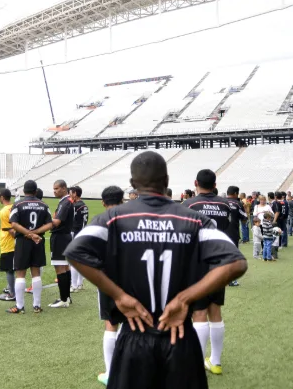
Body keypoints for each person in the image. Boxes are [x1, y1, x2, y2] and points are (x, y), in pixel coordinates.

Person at [64, 151, 247, 389]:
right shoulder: (195, 220)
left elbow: (73, 252)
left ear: (132, 185)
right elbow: (236, 262)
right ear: (167, 180)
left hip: (134, 333)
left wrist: (119, 296)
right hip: (179, 334)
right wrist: (184, 299)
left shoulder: (113, 218)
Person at [183, 169, 233, 375]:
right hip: (219, 260)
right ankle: (216, 361)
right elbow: (228, 226)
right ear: (215, 184)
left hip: (197, 263)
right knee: (215, 311)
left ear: (195, 182)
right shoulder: (225, 204)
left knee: (199, 312)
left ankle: (196, 363)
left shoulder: (188, 205)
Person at [94, 185, 125, 387]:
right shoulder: (134, 220)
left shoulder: (99, 222)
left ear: (103, 202)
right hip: (133, 278)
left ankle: (111, 372)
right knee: (131, 322)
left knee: (110, 323)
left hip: (107, 279)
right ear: (122, 201)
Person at [6, 180, 51, 314]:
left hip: (22, 241)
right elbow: (50, 224)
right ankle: (36, 306)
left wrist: (28, 234)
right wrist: (35, 233)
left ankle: (20, 307)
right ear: (36, 191)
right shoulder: (44, 205)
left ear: (24, 191)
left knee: (20, 273)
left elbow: (13, 224)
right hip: (38, 241)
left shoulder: (18, 204)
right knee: (36, 272)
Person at [39, 179, 75, 308]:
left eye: (57, 189)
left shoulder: (65, 203)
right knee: (65, 267)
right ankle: (66, 298)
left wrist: (42, 221)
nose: (54, 191)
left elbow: (57, 221)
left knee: (60, 267)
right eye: (54, 189)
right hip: (64, 238)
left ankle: (64, 299)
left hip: (60, 238)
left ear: (64, 188)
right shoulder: (65, 202)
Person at [225, 186, 247, 286]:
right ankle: (231, 279)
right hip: (232, 233)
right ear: (235, 193)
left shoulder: (220, 202)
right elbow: (244, 218)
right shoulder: (237, 204)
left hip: (220, 233)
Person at [0, 189, 16, 301]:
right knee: (13, 268)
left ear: (2, 197)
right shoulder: (14, 207)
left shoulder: (4, 211)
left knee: (9, 269)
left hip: (8, 244)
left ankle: (12, 294)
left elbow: (11, 230)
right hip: (14, 244)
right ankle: (10, 287)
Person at [70, 185, 89, 292]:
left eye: (71, 192)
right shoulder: (84, 205)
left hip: (75, 233)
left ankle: (74, 285)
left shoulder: (75, 206)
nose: (69, 194)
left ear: (75, 194)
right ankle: (80, 283)